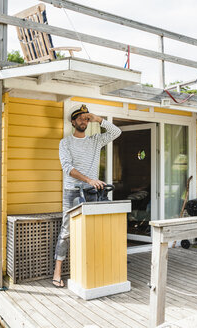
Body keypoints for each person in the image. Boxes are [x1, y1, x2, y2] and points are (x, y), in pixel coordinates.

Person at [52, 104, 121, 287]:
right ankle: (57, 272)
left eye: (86, 118)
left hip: (92, 193)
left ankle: (90, 270)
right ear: (73, 121)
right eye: (80, 118)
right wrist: (89, 179)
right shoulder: (65, 143)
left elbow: (117, 132)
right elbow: (68, 168)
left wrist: (98, 119)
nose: (83, 121)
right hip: (72, 192)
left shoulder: (95, 140)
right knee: (66, 232)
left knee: (92, 231)